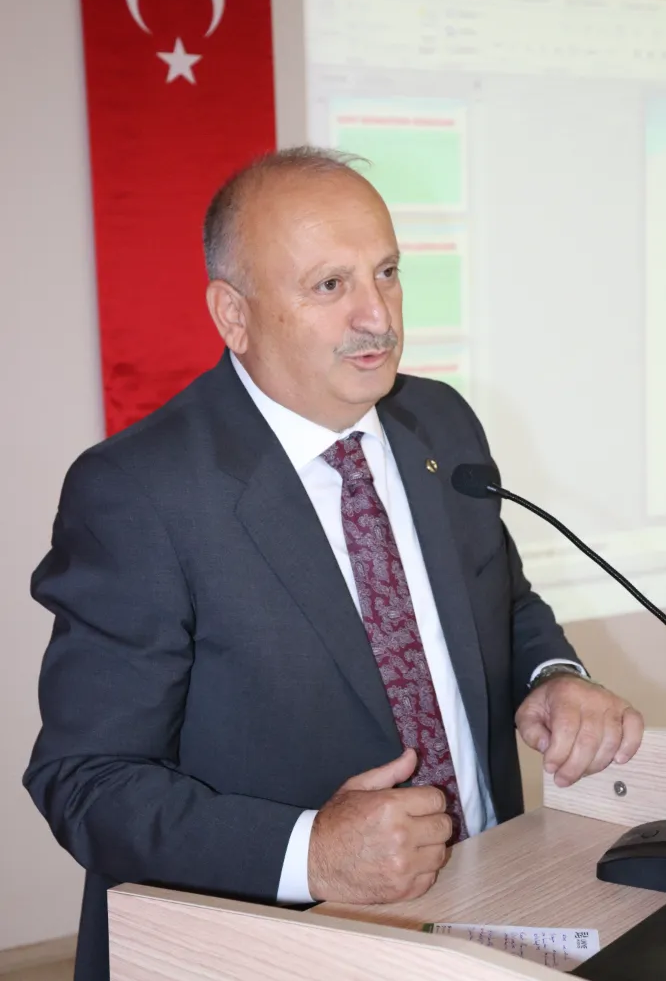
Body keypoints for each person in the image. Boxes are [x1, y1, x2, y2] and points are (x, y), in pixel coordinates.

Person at [24, 147, 643, 981]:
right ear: (233, 314)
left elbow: (502, 599)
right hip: (269, 947)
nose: (377, 316)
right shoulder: (140, 490)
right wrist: (308, 853)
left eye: (386, 272)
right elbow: (85, 781)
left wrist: (553, 676)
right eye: (329, 285)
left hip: (487, 905)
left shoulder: (440, 421)